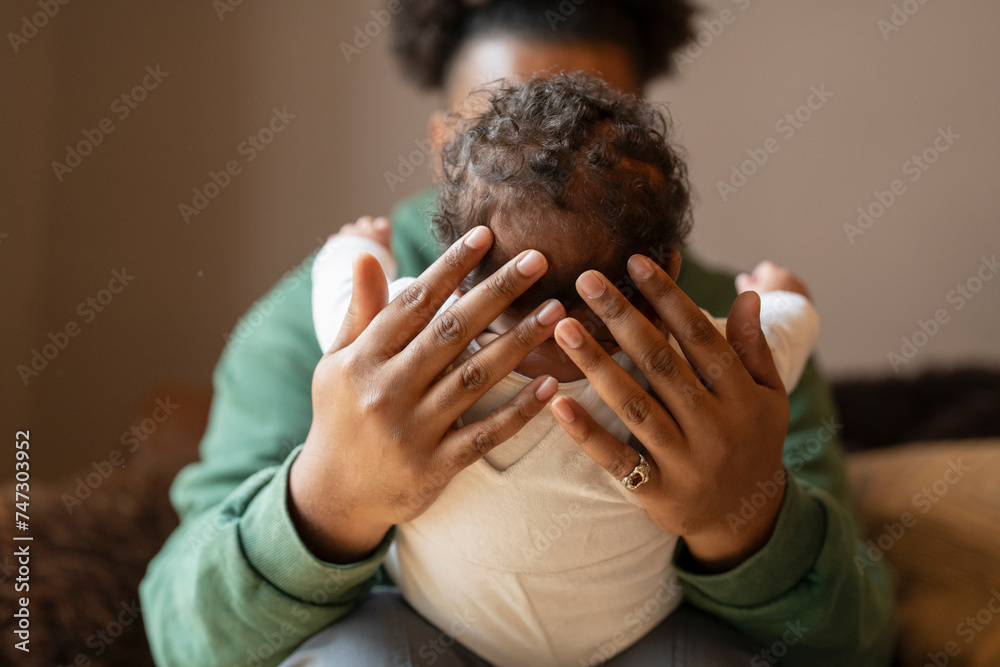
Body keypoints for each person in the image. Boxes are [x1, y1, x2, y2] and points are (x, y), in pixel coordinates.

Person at [140, 2, 895, 666]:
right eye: (510, 125)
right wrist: (327, 503)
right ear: (445, 146)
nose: (553, 158)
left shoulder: (733, 336)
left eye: (591, 125)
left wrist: (746, 525)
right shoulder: (318, 324)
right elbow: (187, 640)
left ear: (644, 155)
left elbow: (857, 642)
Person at [306, 71, 823, 667]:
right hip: (636, 637)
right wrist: (782, 296)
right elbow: (777, 339)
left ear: (455, 258)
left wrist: (359, 248)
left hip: (435, 625)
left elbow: (343, 296)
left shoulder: (400, 341)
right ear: (668, 269)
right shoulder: (700, 361)